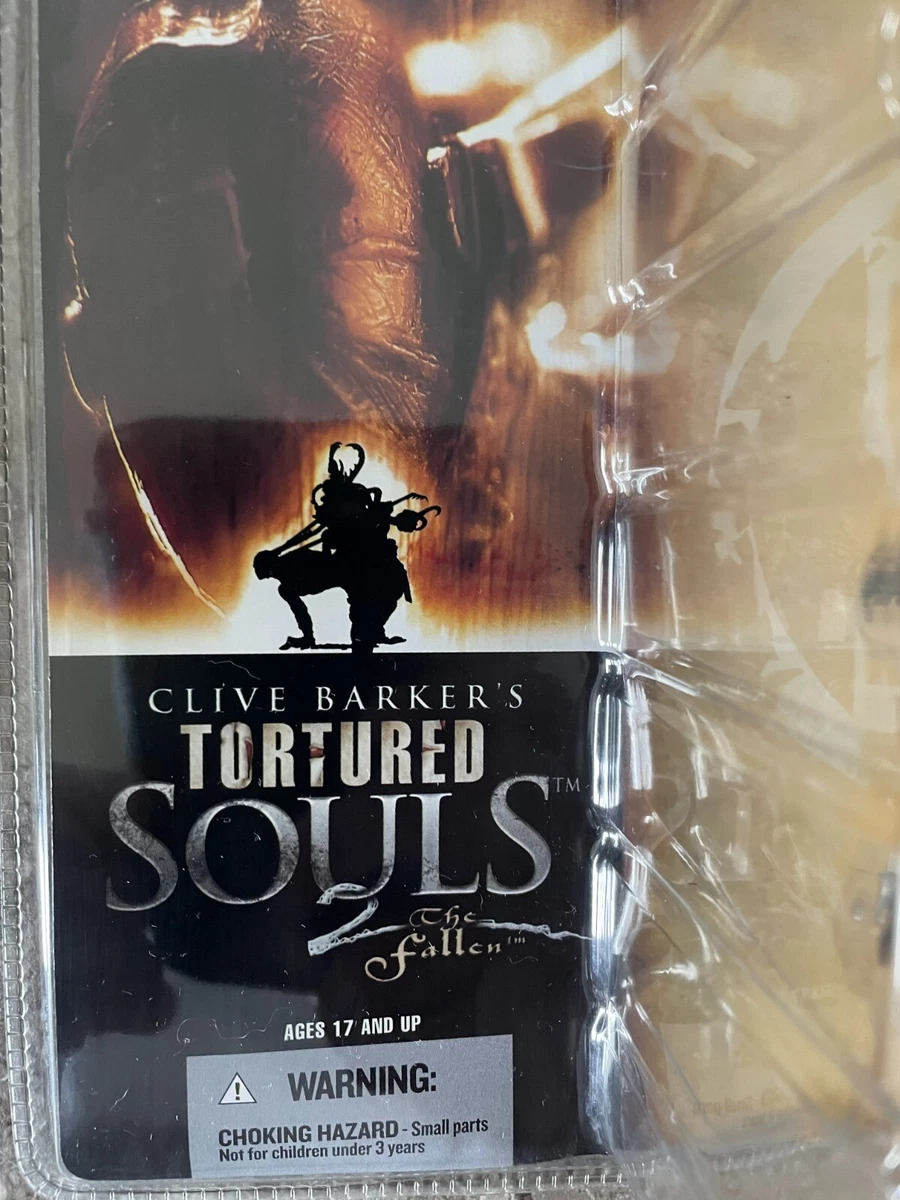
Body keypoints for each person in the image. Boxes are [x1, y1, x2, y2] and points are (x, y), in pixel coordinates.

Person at [253, 443, 440, 651]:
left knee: (380, 602)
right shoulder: (291, 578)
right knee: (366, 615)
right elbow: (317, 541)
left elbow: (321, 540)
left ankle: (372, 633)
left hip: (363, 566)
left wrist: (395, 519)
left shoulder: (297, 559)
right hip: (354, 570)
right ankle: (368, 635)